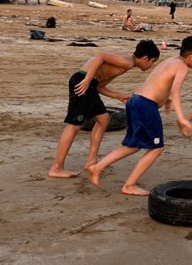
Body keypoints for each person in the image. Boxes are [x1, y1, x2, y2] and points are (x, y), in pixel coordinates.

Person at [88, 36, 192, 195]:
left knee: (133, 145)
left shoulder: (170, 61)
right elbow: (175, 90)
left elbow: (161, 84)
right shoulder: (182, 67)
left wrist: (166, 100)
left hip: (135, 101)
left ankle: (98, 167)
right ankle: (129, 185)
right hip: (146, 105)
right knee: (156, 148)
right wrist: (181, 117)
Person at [48, 40, 161, 178]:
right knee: (74, 125)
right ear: (145, 58)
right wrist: (87, 80)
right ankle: (56, 168)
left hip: (89, 83)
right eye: (153, 62)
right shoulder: (127, 62)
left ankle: (91, 161)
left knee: (103, 119)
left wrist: (119, 96)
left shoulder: (125, 65)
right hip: (82, 80)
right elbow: (100, 56)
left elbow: (99, 86)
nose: (151, 66)